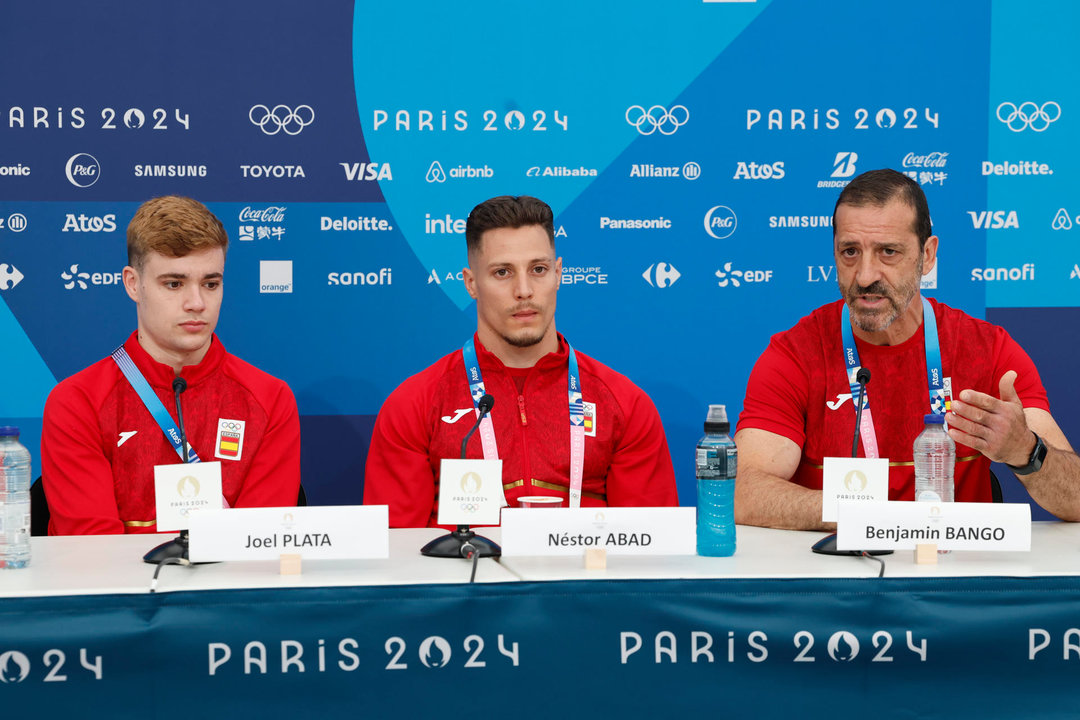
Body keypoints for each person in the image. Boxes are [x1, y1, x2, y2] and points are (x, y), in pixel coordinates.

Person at [735, 169, 1080, 530]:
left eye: (888, 252)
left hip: (955, 576)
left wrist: (1025, 449)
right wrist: (866, 517)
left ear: (927, 255)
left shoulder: (987, 349)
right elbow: (743, 492)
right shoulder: (795, 353)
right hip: (840, 574)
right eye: (850, 252)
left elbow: (1075, 500)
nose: (865, 275)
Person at [364, 195, 678, 527]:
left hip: (584, 577)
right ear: (471, 284)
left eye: (538, 269)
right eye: (502, 272)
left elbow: (651, 547)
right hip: (462, 577)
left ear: (558, 274)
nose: (524, 290)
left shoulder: (624, 404)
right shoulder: (415, 403)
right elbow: (395, 552)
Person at [42, 196, 301, 535]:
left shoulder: (270, 399)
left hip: (230, 589)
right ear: (133, 284)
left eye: (211, 284)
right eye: (174, 284)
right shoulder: (77, 402)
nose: (196, 303)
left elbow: (258, 546)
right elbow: (92, 557)